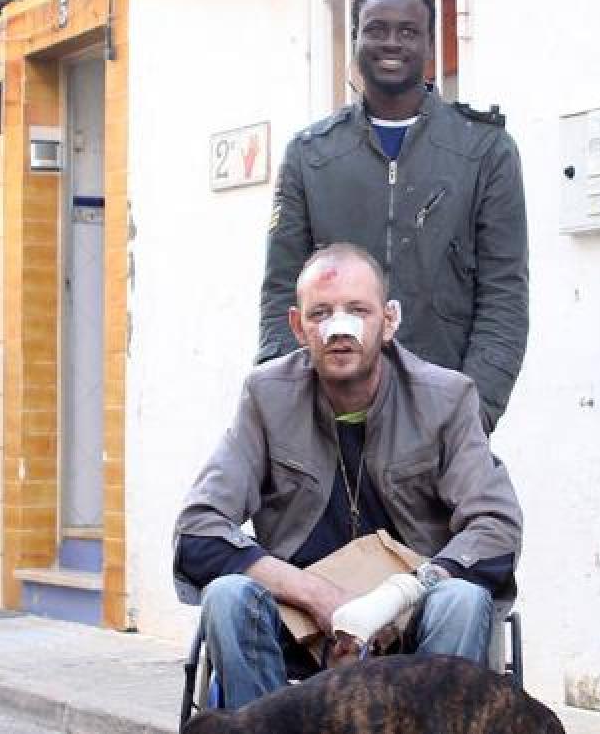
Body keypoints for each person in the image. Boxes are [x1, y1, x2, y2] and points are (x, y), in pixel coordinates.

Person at [175, 244, 523, 710]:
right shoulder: (266, 396)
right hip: (301, 626)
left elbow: (495, 526)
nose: (339, 329)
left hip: (413, 627)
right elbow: (198, 529)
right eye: (321, 313)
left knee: (462, 600)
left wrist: (396, 599)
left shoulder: (447, 398)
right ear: (298, 326)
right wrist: (319, 597)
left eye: (357, 311)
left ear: (389, 320)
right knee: (227, 595)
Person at [259, 0, 529, 434]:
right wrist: (291, 409)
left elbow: (504, 297)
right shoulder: (310, 155)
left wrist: (472, 413)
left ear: (430, 44)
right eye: (377, 29)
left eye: (408, 31)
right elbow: (281, 291)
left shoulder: (485, 151)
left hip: (442, 420)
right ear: (355, 39)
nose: (392, 43)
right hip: (326, 421)